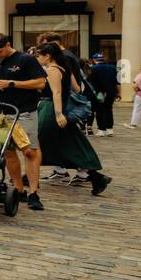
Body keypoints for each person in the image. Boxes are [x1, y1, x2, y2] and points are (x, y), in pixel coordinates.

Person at [35, 43, 110, 196]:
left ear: (47, 56)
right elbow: (77, 89)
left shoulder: (52, 70)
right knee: (66, 141)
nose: (38, 58)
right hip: (60, 108)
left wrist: (58, 113)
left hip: (51, 109)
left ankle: (30, 175)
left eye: (39, 55)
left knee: (43, 141)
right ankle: (94, 176)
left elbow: (55, 93)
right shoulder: (65, 68)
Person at [0, 33, 47, 211]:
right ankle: (19, 189)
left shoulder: (26, 59)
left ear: (8, 44)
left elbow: (41, 83)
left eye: (0, 51)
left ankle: (34, 192)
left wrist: (12, 83)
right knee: (8, 152)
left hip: (25, 112)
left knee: (29, 152)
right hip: (3, 114)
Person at [88, 53, 119, 136]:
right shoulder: (112, 68)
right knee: (108, 109)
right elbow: (116, 82)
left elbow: (91, 82)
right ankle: (110, 129)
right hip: (111, 92)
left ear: (94, 60)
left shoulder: (93, 68)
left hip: (99, 93)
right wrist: (117, 93)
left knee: (99, 110)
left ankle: (101, 129)